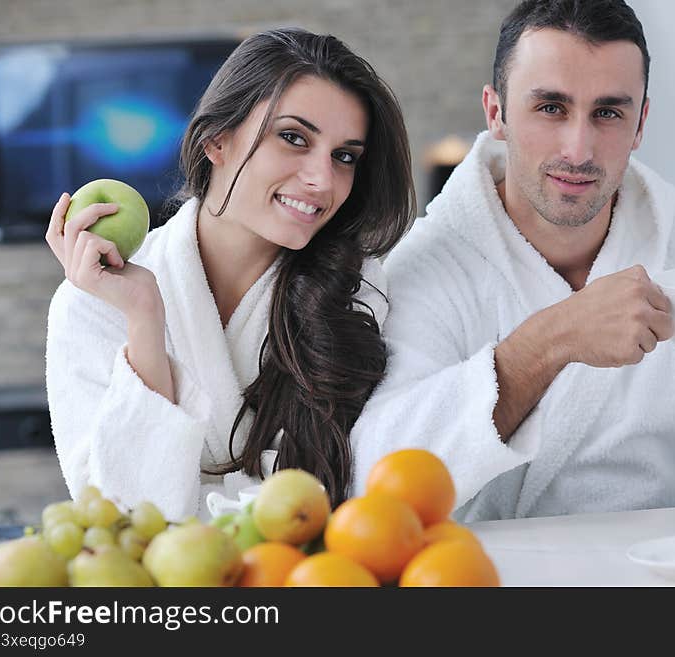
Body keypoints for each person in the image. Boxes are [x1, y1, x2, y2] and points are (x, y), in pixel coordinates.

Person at [350, 0, 675, 522]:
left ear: (641, 122)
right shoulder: (427, 266)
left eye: (608, 113)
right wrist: (553, 338)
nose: (578, 149)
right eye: (551, 108)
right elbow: (377, 481)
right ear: (496, 114)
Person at [45, 28, 415, 521]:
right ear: (216, 142)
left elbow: (348, 493)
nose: (323, 180)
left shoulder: (355, 289)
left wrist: (196, 501)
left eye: (344, 156)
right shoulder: (92, 302)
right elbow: (123, 519)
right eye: (293, 138)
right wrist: (145, 323)